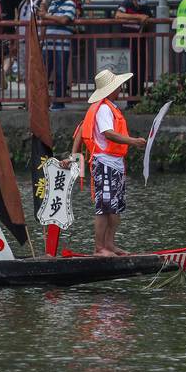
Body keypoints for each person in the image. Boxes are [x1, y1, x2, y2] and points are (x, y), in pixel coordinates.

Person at [65, 69, 148, 256]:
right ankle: (99, 248)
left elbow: (80, 132)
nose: (120, 88)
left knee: (116, 207)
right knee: (104, 207)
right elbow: (107, 133)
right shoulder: (103, 108)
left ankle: (110, 245)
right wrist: (133, 141)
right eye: (118, 86)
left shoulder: (109, 107)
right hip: (104, 164)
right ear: (111, 89)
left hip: (115, 164)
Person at [39, 0, 76, 108]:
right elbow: (47, 21)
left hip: (62, 45)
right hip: (48, 43)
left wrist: (47, 16)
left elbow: (65, 20)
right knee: (44, 73)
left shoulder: (70, 4)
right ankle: (43, 101)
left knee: (60, 73)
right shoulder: (52, 4)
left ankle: (59, 102)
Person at [114, 0, 156, 97]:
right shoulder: (126, 3)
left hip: (140, 42)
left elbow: (150, 23)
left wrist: (147, 22)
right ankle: (131, 97)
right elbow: (118, 15)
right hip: (127, 42)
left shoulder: (146, 8)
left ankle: (139, 96)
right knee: (129, 70)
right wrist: (138, 17)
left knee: (140, 70)